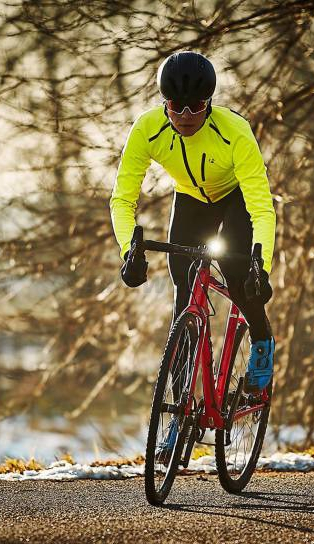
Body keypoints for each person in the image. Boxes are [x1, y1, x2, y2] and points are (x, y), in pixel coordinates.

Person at [109, 51, 276, 397]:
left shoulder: (235, 132)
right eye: (177, 106)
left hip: (236, 199)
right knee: (183, 295)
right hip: (190, 200)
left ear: (210, 102)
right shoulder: (147, 129)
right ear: (164, 103)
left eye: (196, 106)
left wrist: (262, 267)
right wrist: (129, 251)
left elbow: (261, 208)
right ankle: (178, 405)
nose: (186, 115)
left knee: (234, 270)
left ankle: (262, 340)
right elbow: (122, 200)